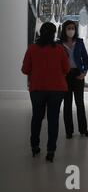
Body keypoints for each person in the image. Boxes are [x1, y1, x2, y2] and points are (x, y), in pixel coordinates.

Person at [21, 22, 70, 162]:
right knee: (53, 119)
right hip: (57, 89)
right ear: (54, 33)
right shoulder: (60, 49)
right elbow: (66, 69)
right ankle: (51, 150)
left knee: (37, 117)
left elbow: (25, 70)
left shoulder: (32, 49)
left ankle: (35, 146)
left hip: (37, 88)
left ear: (40, 32)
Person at [58, 20, 88, 139]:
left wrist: (84, 72)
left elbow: (85, 58)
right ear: (64, 30)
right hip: (65, 75)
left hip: (78, 75)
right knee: (67, 104)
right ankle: (69, 131)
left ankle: (83, 129)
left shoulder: (79, 42)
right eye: (69, 28)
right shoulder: (59, 44)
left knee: (80, 103)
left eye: (73, 28)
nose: (71, 30)